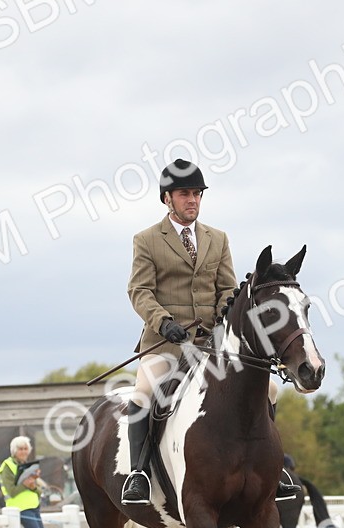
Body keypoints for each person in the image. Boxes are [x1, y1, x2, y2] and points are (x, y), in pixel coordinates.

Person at [122, 158, 296, 504]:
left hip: (212, 346)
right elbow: (139, 292)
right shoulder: (146, 240)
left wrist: (221, 326)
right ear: (167, 199)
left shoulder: (217, 239)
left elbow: (227, 292)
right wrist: (163, 322)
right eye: (185, 194)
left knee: (271, 389)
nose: (193, 200)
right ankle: (138, 474)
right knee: (144, 392)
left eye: (198, 194)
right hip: (166, 344)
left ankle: (272, 469)